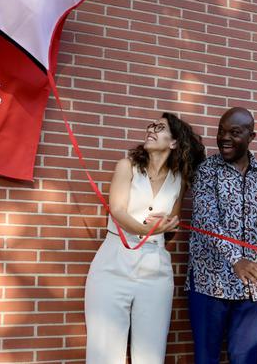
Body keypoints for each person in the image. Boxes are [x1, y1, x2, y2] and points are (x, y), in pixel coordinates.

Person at [84, 112, 205, 364]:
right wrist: (150, 229)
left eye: (160, 128)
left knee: (151, 354)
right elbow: (117, 210)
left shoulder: (179, 180)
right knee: (103, 353)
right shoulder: (127, 166)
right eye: (151, 125)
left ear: (174, 142)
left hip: (156, 266)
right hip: (113, 262)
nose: (151, 129)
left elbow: (172, 222)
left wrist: (169, 226)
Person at [186, 107, 257, 364]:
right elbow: (207, 219)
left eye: (234, 132)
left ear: (251, 136)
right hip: (208, 280)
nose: (224, 138)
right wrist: (236, 259)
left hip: (251, 286)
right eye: (221, 131)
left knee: (245, 359)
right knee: (206, 358)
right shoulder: (206, 170)